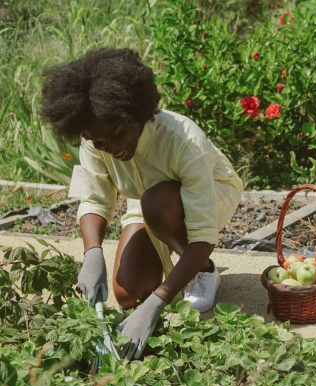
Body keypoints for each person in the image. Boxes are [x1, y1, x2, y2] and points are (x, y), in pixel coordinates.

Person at [40, 48, 244, 359]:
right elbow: (95, 199)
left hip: (210, 193)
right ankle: (172, 263)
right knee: (127, 293)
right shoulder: (95, 138)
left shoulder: (182, 139)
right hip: (146, 200)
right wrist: (93, 253)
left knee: (158, 204)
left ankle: (204, 271)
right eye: (100, 142)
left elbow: (203, 234)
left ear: (136, 113)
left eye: (118, 135)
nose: (112, 148)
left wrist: (158, 302)